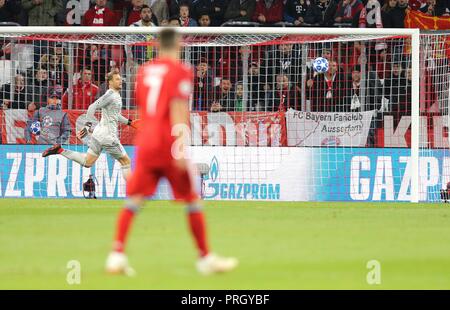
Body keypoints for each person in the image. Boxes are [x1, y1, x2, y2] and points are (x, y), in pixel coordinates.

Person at [105, 28, 238, 276]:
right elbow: (178, 111)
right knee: (192, 200)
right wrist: (180, 149)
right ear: (177, 44)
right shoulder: (180, 71)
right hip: (168, 144)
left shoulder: (143, 72)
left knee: (134, 200)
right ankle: (205, 258)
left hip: (146, 143)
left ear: (157, 45)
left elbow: (145, 109)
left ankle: (116, 255)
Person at [41, 70, 139, 180]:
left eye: (120, 79)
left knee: (87, 162)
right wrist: (87, 126)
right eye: (117, 79)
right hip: (108, 136)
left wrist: (129, 122)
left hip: (99, 134)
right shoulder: (111, 95)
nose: (120, 81)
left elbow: (115, 115)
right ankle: (134, 193)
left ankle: (60, 150)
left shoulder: (115, 95)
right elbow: (92, 106)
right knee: (126, 161)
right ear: (110, 83)